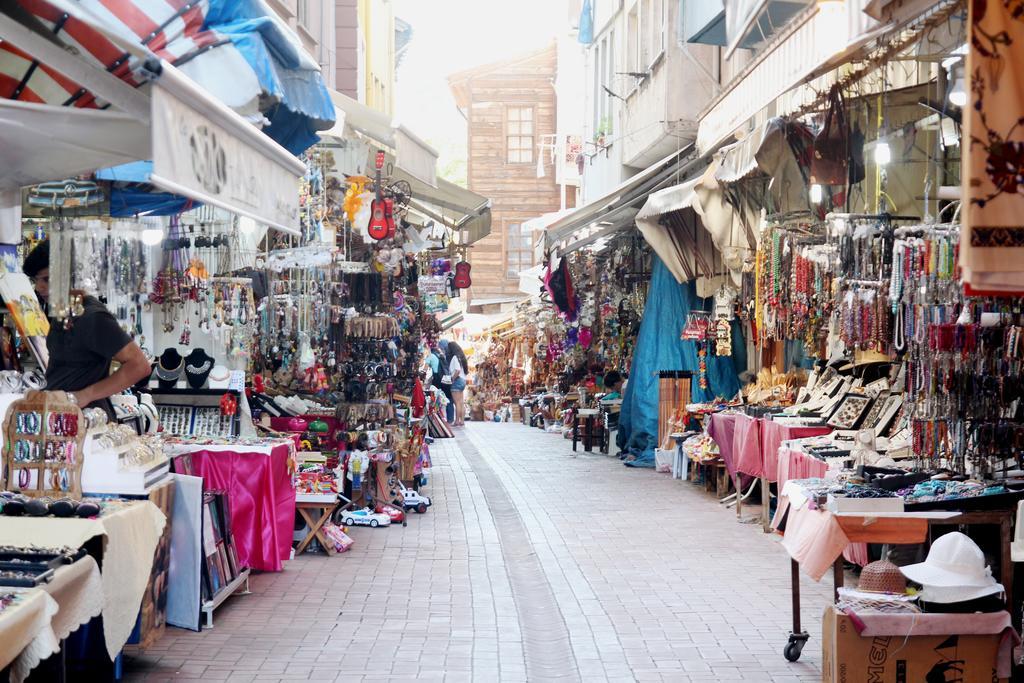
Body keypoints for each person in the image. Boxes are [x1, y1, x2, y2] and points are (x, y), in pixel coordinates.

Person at [23, 241, 151, 414]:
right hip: (61, 418)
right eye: (35, 280)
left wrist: (85, 395)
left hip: (87, 423)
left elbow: (139, 365)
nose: (39, 288)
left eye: (47, 279)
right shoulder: (62, 313)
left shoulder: (91, 317)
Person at [446, 340, 468, 427]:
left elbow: (457, 370)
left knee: (457, 403)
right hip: (463, 380)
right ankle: (462, 421)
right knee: (461, 402)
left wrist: (452, 379)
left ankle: (457, 421)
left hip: (457, 381)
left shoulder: (455, 357)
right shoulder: (461, 357)